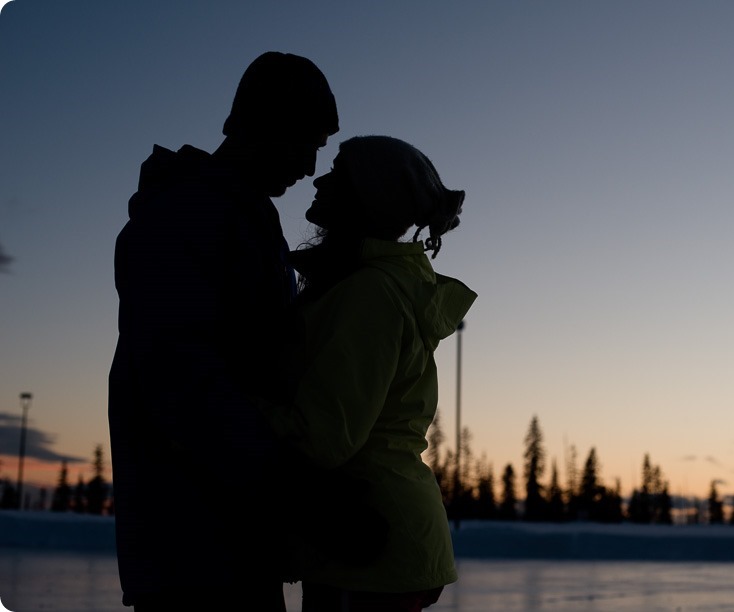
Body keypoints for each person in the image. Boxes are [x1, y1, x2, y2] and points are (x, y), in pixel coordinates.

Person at [108, 52, 338, 611]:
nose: (310, 167)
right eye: (308, 142)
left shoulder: (242, 217)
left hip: (234, 534)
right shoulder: (185, 217)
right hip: (193, 546)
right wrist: (295, 488)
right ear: (268, 126)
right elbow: (184, 382)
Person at [261, 136, 476, 612]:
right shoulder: (373, 286)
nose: (321, 179)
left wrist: (236, 406)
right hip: (368, 530)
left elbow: (325, 436)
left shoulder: (371, 295)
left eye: (339, 172)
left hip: (368, 539)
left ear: (368, 197)